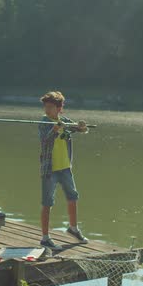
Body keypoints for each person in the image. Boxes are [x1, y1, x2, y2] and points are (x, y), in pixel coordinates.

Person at [38, 91, 89, 250]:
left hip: (65, 168)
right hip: (50, 169)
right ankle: (45, 238)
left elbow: (80, 130)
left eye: (51, 107)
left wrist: (81, 126)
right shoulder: (44, 122)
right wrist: (54, 129)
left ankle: (73, 229)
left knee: (72, 197)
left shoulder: (65, 121)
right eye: (45, 106)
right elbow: (44, 141)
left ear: (59, 109)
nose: (47, 110)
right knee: (47, 203)